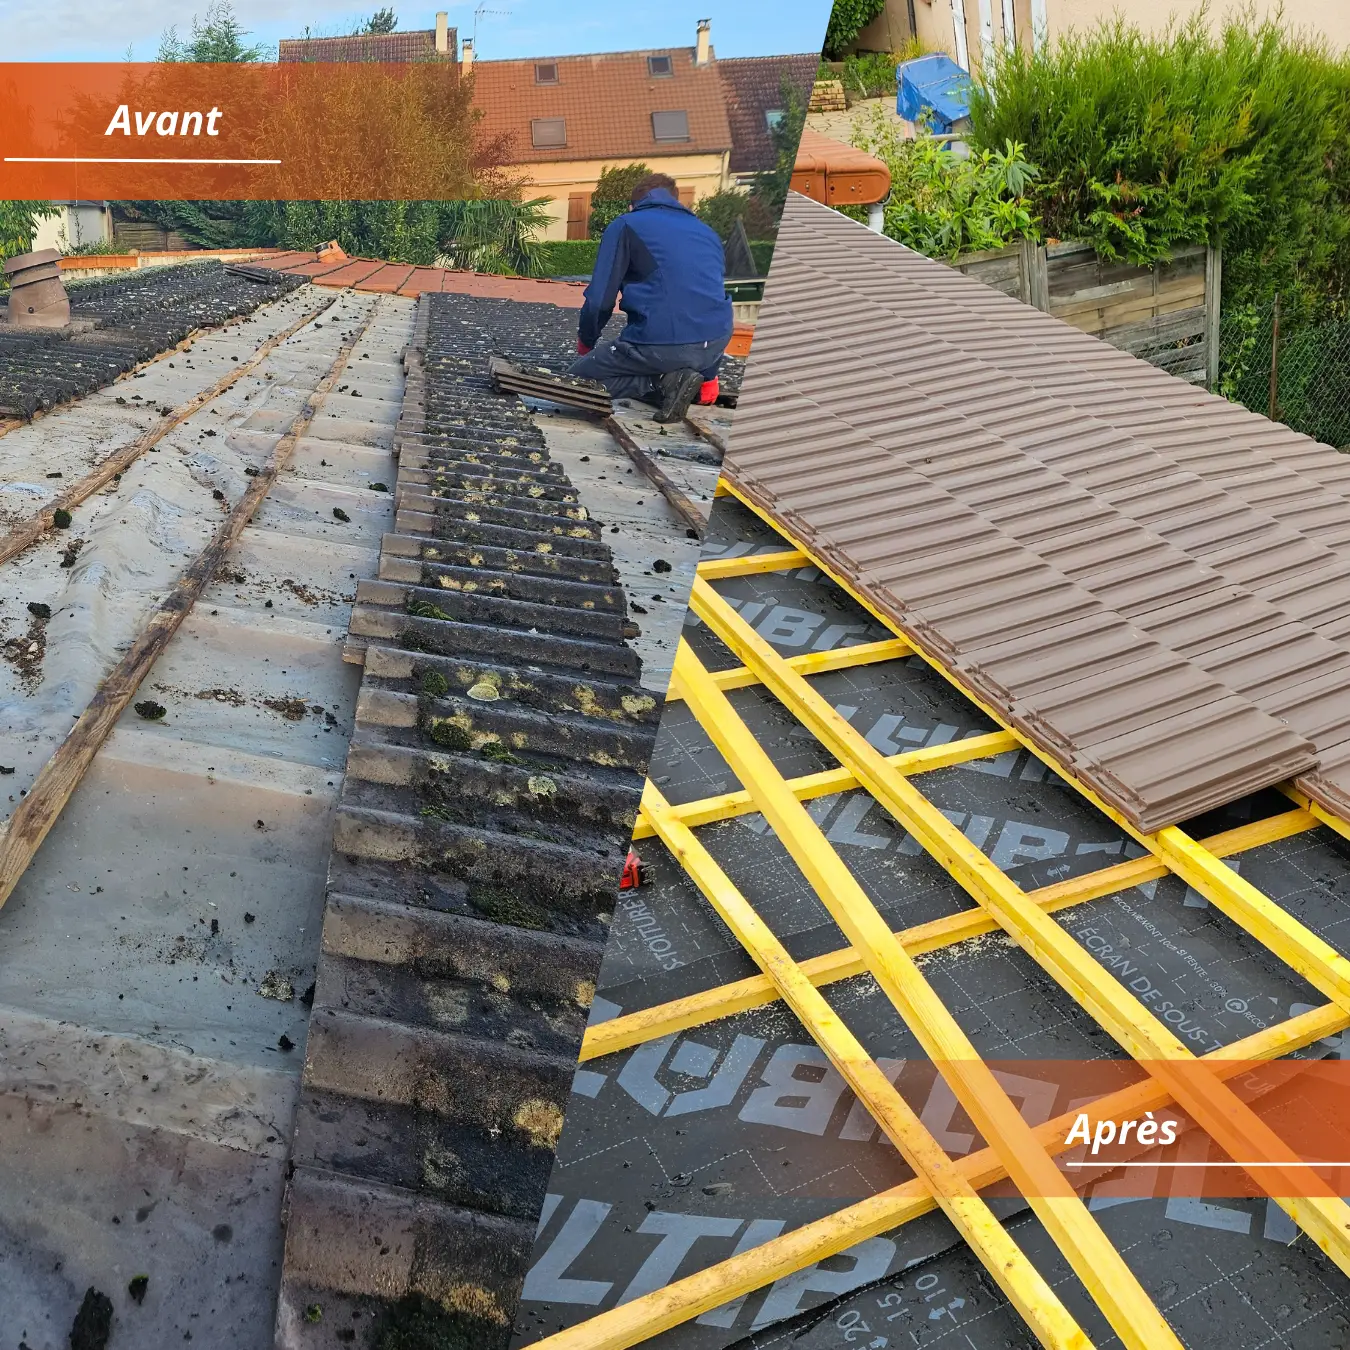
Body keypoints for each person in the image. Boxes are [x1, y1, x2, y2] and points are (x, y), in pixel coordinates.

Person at [570, 172, 733, 422]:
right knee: (675, 354)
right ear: (677, 201)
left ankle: (660, 383)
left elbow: (600, 299)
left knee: (575, 384)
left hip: (660, 344)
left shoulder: (626, 224)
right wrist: (710, 375)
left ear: (632, 205)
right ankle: (680, 382)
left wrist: (586, 342)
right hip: (714, 345)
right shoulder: (707, 232)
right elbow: (710, 300)